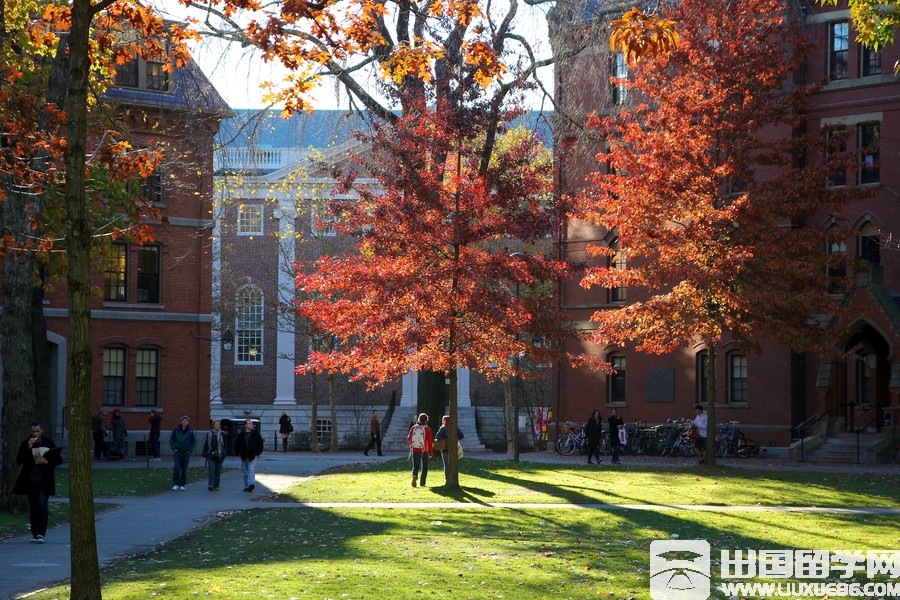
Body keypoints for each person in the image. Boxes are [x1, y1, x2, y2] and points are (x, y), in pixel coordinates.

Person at [13, 422, 63, 543]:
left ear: (42, 430)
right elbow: (19, 460)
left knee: (42, 503)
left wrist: (48, 462)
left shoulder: (48, 443)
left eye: (37, 431)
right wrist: (28, 448)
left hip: (44, 480)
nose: (35, 434)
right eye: (33, 431)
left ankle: (41, 533)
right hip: (30, 480)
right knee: (33, 506)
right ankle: (35, 533)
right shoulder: (26, 443)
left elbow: (58, 460)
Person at [234, 419, 264, 492]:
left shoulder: (256, 434)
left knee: (251, 469)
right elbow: (236, 444)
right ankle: (246, 486)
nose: (251, 425)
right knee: (245, 471)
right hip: (243, 455)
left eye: (251, 423)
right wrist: (238, 452)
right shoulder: (241, 435)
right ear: (246, 425)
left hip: (252, 455)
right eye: (249, 424)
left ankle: (251, 484)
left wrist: (257, 453)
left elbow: (260, 444)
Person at [433, 415, 463, 482]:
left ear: (445, 421)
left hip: (445, 448)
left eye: (443, 420)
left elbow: (437, 437)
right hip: (454, 448)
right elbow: (461, 435)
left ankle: (448, 480)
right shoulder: (455, 427)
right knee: (453, 464)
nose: (442, 421)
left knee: (446, 465)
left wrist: (443, 439)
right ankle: (454, 479)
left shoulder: (443, 428)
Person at [407, 413, 433, 488]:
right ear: (426, 420)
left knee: (415, 466)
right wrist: (431, 453)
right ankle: (422, 483)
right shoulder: (427, 429)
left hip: (415, 449)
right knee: (424, 467)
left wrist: (412, 444)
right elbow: (430, 442)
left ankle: (414, 475)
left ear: (418, 419)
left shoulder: (413, 427)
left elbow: (409, 438)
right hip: (424, 450)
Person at [169, 416, 195, 491]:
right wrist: (175, 449)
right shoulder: (176, 430)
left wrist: (189, 450)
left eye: (186, 421)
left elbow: (192, 442)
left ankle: (182, 484)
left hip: (186, 453)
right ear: (181, 421)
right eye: (183, 420)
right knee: (177, 468)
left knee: (184, 469)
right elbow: (172, 440)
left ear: (188, 422)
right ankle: (176, 483)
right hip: (178, 452)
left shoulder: (190, 431)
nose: (184, 422)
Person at [203, 420, 226, 491]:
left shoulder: (223, 434)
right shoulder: (209, 434)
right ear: (213, 425)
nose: (217, 426)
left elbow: (225, 445)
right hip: (211, 454)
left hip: (220, 454)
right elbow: (206, 444)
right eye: (216, 424)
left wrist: (224, 453)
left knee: (217, 470)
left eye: (219, 425)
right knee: (211, 469)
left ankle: (216, 485)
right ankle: (211, 484)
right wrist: (204, 453)